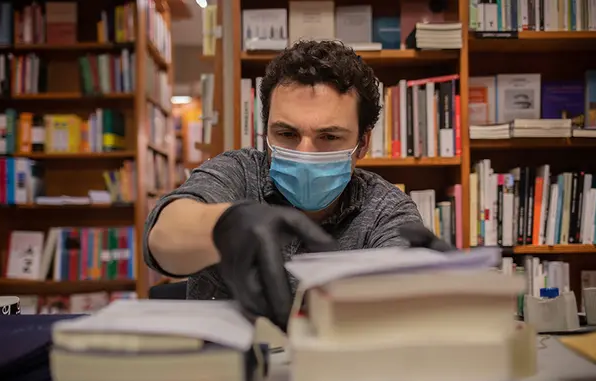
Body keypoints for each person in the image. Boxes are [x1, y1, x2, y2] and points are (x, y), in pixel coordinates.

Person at [145, 40, 451, 330]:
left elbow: (398, 307)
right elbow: (162, 238)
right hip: (226, 376)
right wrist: (222, 227)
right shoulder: (238, 172)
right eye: (287, 134)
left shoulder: (385, 208)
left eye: (329, 137)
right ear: (266, 132)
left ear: (362, 143)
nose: (305, 153)